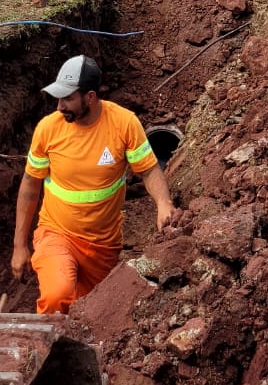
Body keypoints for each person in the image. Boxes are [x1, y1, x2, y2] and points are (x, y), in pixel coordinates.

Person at [11, 54, 176, 314]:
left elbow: (148, 170)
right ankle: (53, 354)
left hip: (103, 245)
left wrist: (163, 203)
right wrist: (19, 245)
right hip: (56, 232)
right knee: (57, 296)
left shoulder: (124, 124)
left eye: (68, 99)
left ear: (89, 97)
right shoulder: (48, 129)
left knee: (91, 314)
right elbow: (30, 184)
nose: (59, 106)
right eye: (58, 98)